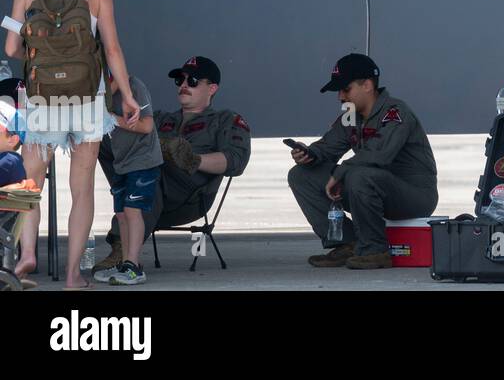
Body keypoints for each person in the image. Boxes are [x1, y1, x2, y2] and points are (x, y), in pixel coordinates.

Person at [4, 0, 141, 290]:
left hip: (41, 100)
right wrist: (127, 96)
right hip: (87, 101)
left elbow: (12, 47)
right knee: (81, 189)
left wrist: (42, 52)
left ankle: (26, 254)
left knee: (29, 182)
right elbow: (112, 50)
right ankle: (72, 276)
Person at [93, 56, 251, 277]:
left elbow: (236, 161)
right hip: (145, 186)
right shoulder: (160, 119)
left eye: (193, 81)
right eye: (180, 80)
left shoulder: (225, 120)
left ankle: (125, 253)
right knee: (101, 141)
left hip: (190, 197)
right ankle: (123, 242)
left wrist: (193, 160)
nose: (184, 85)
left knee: (148, 171)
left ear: (212, 88)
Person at [288, 53, 437, 270]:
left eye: (345, 89)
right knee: (301, 175)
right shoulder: (351, 115)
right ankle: (347, 243)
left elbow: (380, 155)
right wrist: (309, 154)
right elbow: (329, 146)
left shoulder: (396, 112)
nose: (340, 97)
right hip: (368, 186)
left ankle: (375, 251)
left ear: (367, 85)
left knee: (360, 174)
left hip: (414, 196)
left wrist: (341, 173)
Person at [96, 66, 162, 285]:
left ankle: (134, 267)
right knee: (122, 214)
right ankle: (125, 262)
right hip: (121, 162)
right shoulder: (99, 97)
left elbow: (146, 126)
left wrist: (111, 118)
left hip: (142, 160)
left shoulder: (134, 86)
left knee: (133, 212)